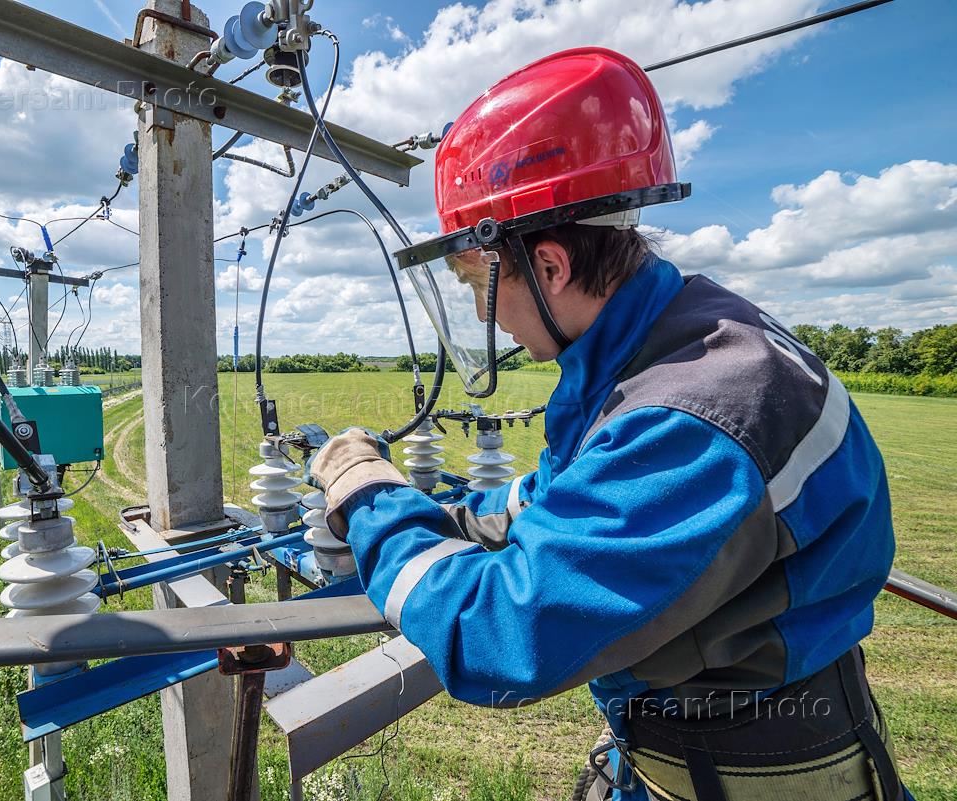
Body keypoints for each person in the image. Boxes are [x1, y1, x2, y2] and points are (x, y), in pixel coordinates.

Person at [309, 47, 911, 801]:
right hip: (689, 746)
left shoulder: (692, 416)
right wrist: (448, 519)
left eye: (476, 282)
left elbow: (501, 634)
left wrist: (370, 498)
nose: (480, 312)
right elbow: (550, 505)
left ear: (550, 266)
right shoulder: (662, 347)